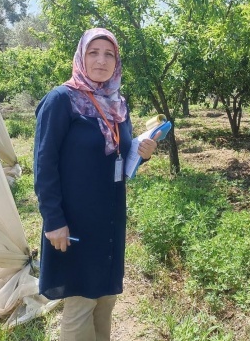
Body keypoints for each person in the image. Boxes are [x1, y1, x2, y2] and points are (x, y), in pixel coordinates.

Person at [34, 28, 160, 341]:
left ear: (116, 61)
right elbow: (43, 165)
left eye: (109, 54)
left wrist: (142, 153)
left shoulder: (117, 103)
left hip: (110, 217)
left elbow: (120, 155)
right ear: (81, 56)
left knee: (104, 299)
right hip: (75, 219)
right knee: (81, 301)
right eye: (94, 52)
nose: (101, 60)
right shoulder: (61, 100)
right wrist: (54, 221)